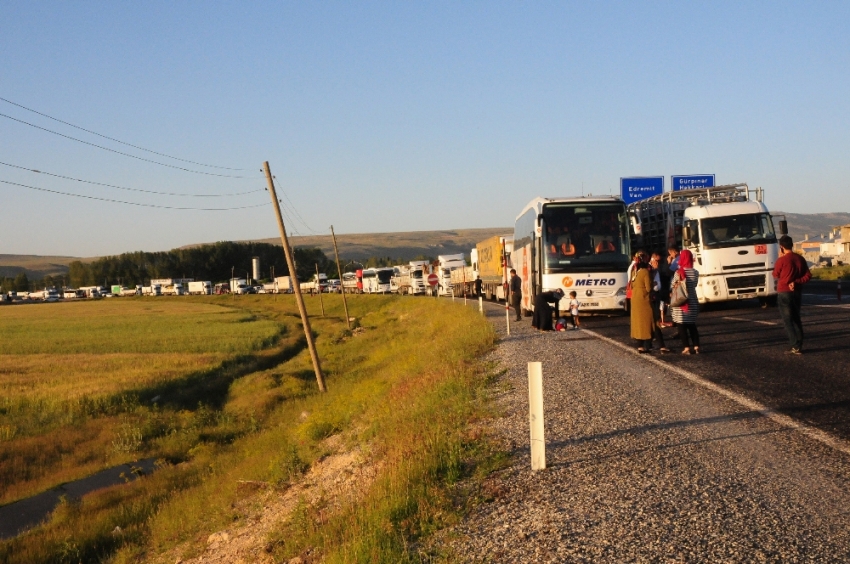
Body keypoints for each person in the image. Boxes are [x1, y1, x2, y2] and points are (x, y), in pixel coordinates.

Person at [772, 235, 811, 354]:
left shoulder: (782, 260)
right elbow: (808, 275)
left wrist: (780, 258)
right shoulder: (800, 259)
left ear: (782, 247)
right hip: (797, 291)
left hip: (784, 292)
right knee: (796, 318)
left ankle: (794, 345)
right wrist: (796, 281)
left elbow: (775, 274)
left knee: (787, 320)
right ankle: (799, 344)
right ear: (792, 245)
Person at [670, 249, 700, 354]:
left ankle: (686, 347)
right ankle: (696, 346)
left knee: (681, 326)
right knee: (692, 325)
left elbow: (673, 286)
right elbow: (694, 285)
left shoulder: (678, 272)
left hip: (681, 303)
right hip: (692, 301)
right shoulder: (695, 273)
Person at [629, 255, 654, 353]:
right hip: (643, 298)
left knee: (637, 322)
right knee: (647, 321)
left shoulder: (634, 272)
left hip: (635, 297)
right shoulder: (645, 272)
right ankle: (647, 345)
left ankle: (639, 345)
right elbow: (648, 288)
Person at [648, 253, 670, 352]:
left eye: (660, 261)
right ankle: (661, 345)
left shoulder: (659, 271)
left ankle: (648, 343)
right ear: (651, 260)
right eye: (656, 261)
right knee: (655, 321)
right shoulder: (649, 270)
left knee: (654, 321)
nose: (658, 263)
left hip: (658, 296)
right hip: (652, 297)